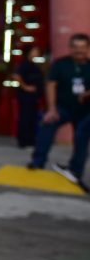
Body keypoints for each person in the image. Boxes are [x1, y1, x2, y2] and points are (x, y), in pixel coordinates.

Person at [28, 32, 90, 190]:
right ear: (70, 48)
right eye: (75, 47)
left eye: (82, 47)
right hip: (63, 107)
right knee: (47, 122)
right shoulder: (61, 64)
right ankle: (37, 161)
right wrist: (52, 108)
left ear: (88, 48)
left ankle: (75, 170)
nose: (79, 51)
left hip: (85, 111)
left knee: (81, 135)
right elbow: (51, 85)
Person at [13, 45, 44, 148]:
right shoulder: (24, 64)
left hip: (34, 97)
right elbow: (16, 76)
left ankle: (30, 140)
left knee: (32, 118)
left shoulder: (35, 65)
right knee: (25, 117)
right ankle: (23, 140)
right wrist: (25, 87)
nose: (37, 52)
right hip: (25, 96)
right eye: (35, 50)